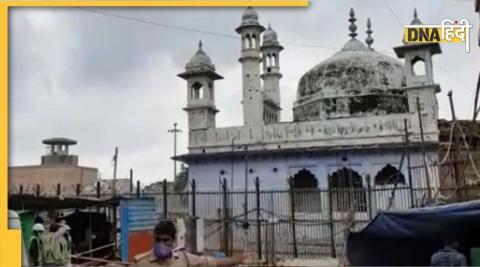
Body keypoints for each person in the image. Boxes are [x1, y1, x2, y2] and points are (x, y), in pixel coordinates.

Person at [134, 220, 254, 267]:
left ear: (173, 240)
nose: (161, 244)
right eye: (158, 240)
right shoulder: (141, 263)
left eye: (166, 240)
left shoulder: (184, 258)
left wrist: (238, 259)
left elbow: (213, 262)